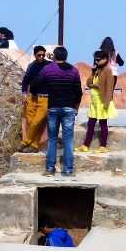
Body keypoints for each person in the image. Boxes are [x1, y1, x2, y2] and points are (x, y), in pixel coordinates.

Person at [31, 46, 83, 177]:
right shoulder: (74, 71)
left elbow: (35, 84)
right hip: (69, 108)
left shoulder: (48, 69)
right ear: (66, 57)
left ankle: (50, 169)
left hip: (53, 107)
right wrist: (76, 106)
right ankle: (68, 170)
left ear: (54, 56)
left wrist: (36, 93)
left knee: (52, 139)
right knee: (68, 140)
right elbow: (79, 92)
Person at [79, 50, 117, 154]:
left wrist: (107, 103)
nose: (96, 62)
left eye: (98, 60)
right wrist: (93, 73)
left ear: (105, 59)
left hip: (102, 101)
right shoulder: (97, 70)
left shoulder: (107, 71)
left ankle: (103, 146)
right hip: (94, 102)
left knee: (103, 123)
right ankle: (85, 145)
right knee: (90, 123)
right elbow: (88, 83)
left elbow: (108, 87)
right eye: (95, 60)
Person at [19, 45, 50, 153]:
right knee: (31, 121)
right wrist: (24, 93)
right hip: (32, 97)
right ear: (35, 55)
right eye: (39, 55)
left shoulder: (49, 65)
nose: (41, 57)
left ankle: (25, 142)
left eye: (43, 55)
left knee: (37, 122)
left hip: (45, 98)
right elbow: (25, 81)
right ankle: (34, 145)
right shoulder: (31, 66)